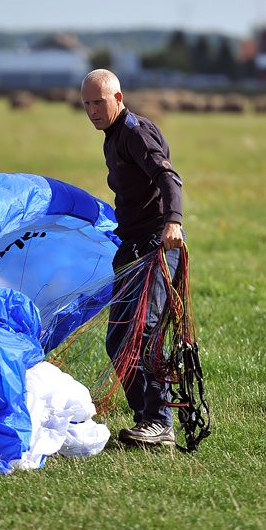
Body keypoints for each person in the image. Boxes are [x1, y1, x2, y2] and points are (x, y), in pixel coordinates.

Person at [80, 69, 184, 446]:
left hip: (157, 243)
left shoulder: (134, 132)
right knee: (118, 338)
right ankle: (148, 419)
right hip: (132, 245)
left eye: (99, 102)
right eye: (86, 104)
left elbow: (168, 178)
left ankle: (160, 423)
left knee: (145, 331)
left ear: (119, 98)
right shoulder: (113, 136)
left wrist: (173, 222)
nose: (92, 110)